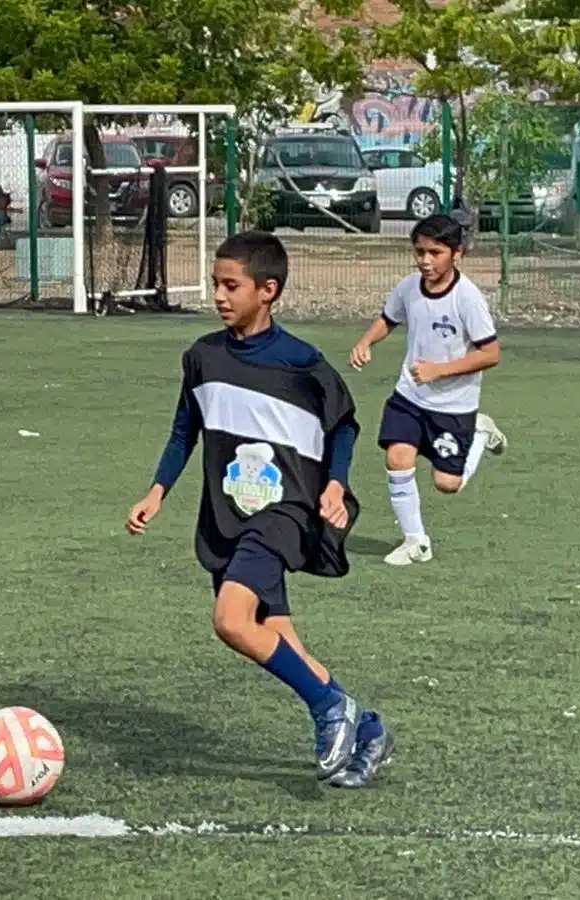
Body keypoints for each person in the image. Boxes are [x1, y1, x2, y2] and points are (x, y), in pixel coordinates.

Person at [124, 231, 392, 790]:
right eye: (216, 284)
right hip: (226, 515)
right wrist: (157, 491)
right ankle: (366, 728)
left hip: (284, 513)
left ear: (268, 290)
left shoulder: (301, 362)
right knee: (279, 638)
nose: (219, 296)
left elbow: (343, 424)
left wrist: (336, 484)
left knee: (230, 620)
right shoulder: (203, 357)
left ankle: (327, 709)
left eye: (231, 286)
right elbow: (184, 431)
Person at [348, 214, 505, 567]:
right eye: (420, 252)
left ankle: (480, 432)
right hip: (410, 396)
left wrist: (439, 370)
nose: (425, 261)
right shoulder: (409, 287)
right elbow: (389, 319)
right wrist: (366, 341)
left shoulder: (468, 299)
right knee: (397, 458)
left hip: (453, 404)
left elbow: (491, 353)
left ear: (457, 253)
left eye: (435, 252)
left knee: (447, 484)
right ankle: (416, 541)